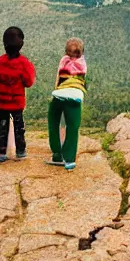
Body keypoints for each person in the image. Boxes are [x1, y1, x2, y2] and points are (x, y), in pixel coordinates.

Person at [0, 26, 35, 163]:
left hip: (3, 102)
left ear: (4, 44)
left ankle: (2, 153)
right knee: (19, 127)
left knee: (2, 128)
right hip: (18, 102)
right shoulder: (24, 63)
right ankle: (20, 151)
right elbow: (29, 82)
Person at [48, 37, 87, 170]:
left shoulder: (64, 60)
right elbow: (83, 80)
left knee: (53, 121)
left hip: (60, 93)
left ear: (66, 51)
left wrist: (56, 92)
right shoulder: (83, 63)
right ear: (81, 52)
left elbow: (58, 79)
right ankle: (69, 159)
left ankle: (57, 154)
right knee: (73, 127)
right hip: (75, 96)